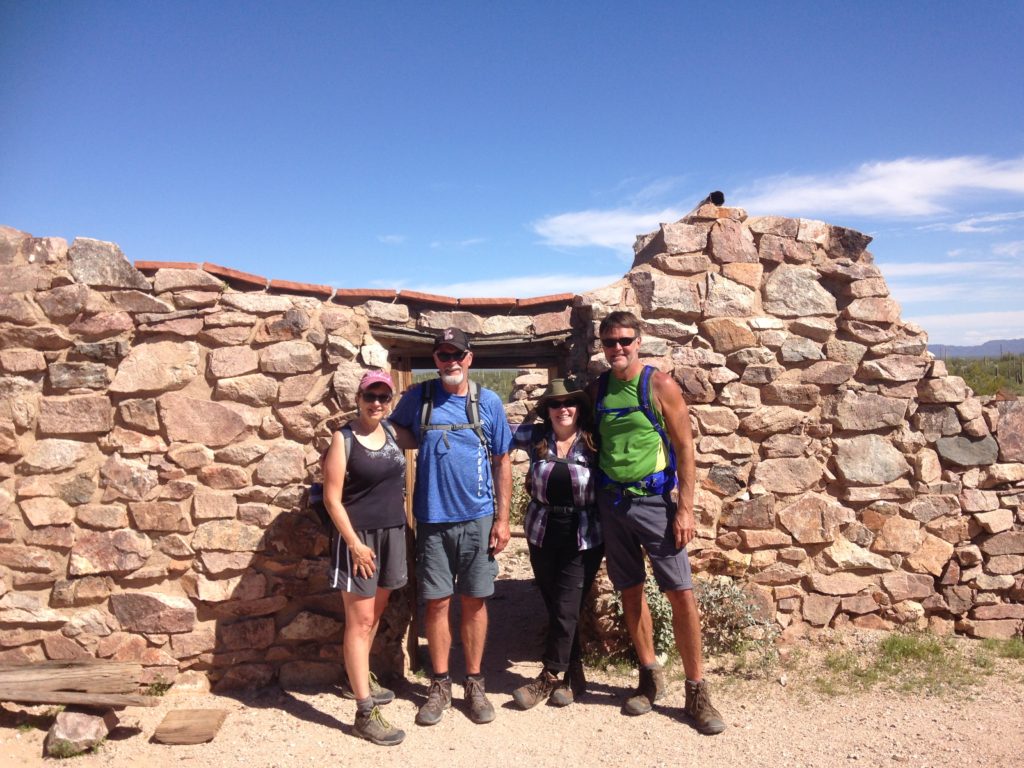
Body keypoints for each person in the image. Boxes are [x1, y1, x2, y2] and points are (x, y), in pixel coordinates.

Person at [588, 310, 726, 735]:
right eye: (610, 342)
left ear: (639, 340)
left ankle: (697, 690)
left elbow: (685, 448)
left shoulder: (659, 384)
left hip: (654, 504)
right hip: (613, 505)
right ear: (602, 345)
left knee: (680, 593)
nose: (618, 348)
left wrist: (685, 508)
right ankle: (649, 676)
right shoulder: (598, 390)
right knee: (630, 591)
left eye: (625, 340)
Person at [389, 327, 513, 726]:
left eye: (457, 354)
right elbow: (396, 431)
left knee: (474, 602)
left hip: (477, 518)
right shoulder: (419, 398)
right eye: (443, 355)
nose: (450, 362)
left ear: (469, 358)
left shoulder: (487, 402)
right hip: (432, 519)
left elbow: (502, 461)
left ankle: (474, 683)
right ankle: (440, 684)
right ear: (436, 360)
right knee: (438, 602)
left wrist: (504, 519)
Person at [322, 369, 408, 747]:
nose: (376, 403)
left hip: (393, 534)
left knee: (373, 615)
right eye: (370, 396)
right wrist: (354, 544)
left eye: (383, 397)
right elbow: (331, 498)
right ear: (357, 398)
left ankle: (359, 676)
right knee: (359, 622)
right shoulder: (343, 439)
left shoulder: (391, 432)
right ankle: (363, 711)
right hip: (359, 540)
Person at [509, 378, 603, 710]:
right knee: (557, 605)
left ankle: (548, 678)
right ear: (546, 411)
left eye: (569, 403)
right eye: (555, 404)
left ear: (579, 409)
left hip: (583, 533)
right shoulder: (536, 438)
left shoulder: (593, 442)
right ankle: (574, 678)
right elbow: (496, 441)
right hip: (541, 531)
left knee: (566, 606)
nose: (563, 409)